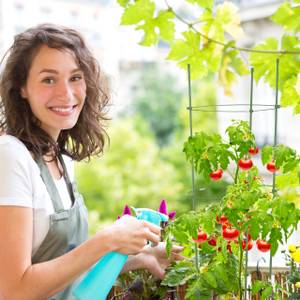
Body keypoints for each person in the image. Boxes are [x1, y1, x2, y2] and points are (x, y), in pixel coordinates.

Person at [0, 23, 182, 300]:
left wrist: (141, 258)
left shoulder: (60, 158)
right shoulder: (10, 156)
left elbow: (64, 269)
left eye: (75, 77)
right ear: (22, 88)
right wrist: (107, 239)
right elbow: (13, 290)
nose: (67, 93)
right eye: (49, 79)